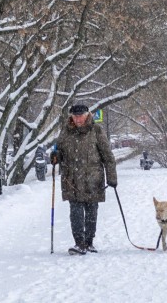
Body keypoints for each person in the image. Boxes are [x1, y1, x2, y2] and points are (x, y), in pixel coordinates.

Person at [50, 101, 117, 255]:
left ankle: (89, 243)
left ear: (88, 115)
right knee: (76, 213)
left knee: (92, 212)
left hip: (93, 179)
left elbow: (108, 156)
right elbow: (59, 152)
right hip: (71, 180)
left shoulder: (96, 130)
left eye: (81, 116)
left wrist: (111, 177)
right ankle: (79, 243)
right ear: (71, 117)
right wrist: (55, 157)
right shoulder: (66, 132)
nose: (78, 119)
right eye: (75, 117)